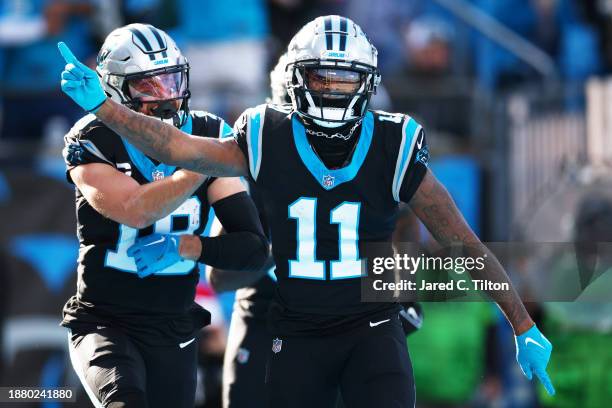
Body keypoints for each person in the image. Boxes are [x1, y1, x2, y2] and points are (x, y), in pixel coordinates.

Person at [58, 15, 555, 408]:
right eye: (322, 78)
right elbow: (175, 148)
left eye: (345, 81)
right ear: (295, 80)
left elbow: (461, 242)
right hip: (293, 331)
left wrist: (522, 324)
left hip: (370, 326)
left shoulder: (392, 142)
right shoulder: (263, 135)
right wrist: (105, 109)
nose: (332, 92)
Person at [59, 24, 268, 408]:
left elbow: (252, 249)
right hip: (106, 322)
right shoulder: (91, 138)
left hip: (174, 325)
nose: (166, 96)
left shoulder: (207, 131)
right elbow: (137, 211)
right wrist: (202, 164)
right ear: (116, 89)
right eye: (148, 86)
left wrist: (185, 245)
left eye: (171, 81)